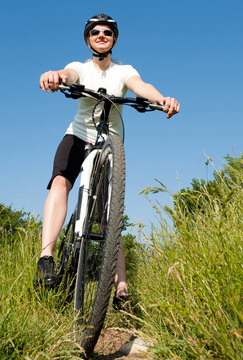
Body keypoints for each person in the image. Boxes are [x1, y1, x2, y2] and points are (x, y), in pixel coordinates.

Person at [36, 14, 180, 305]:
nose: (101, 35)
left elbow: (141, 86)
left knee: (110, 218)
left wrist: (162, 98)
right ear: (88, 38)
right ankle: (46, 256)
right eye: (95, 32)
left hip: (109, 145)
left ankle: (122, 286)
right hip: (77, 136)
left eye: (108, 32)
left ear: (114, 39)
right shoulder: (80, 67)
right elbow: (68, 75)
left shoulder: (123, 70)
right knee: (61, 181)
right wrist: (56, 76)